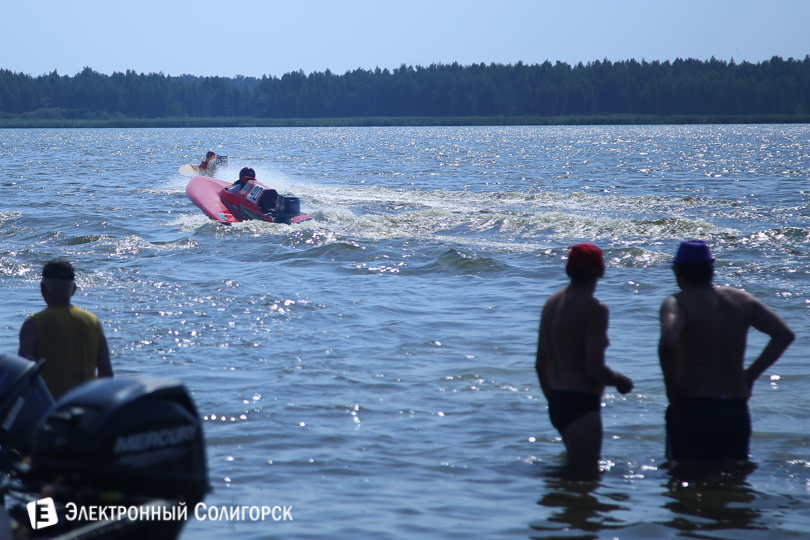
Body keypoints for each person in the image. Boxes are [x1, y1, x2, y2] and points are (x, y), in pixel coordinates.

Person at [658, 240, 794, 461]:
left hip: (693, 405)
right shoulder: (742, 299)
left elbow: (668, 342)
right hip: (735, 407)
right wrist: (750, 375)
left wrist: (671, 385)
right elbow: (784, 335)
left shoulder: (677, 302)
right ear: (711, 269)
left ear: (678, 271)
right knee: (734, 474)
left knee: (685, 474)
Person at [535, 243, 634, 468]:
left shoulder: (551, 303)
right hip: (581, 403)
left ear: (568, 270)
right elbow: (595, 370)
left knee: (569, 476)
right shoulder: (595, 309)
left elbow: (540, 365)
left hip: (557, 400)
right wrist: (621, 381)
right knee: (587, 479)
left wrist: (555, 403)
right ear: (601, 271)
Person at [18, 259, 113, 400]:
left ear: (42, 289)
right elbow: (106, 375)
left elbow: (22, 376)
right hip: (82, 406)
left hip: (49, 408)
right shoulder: (93, 321)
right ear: (73, 289)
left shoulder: (34, 324)